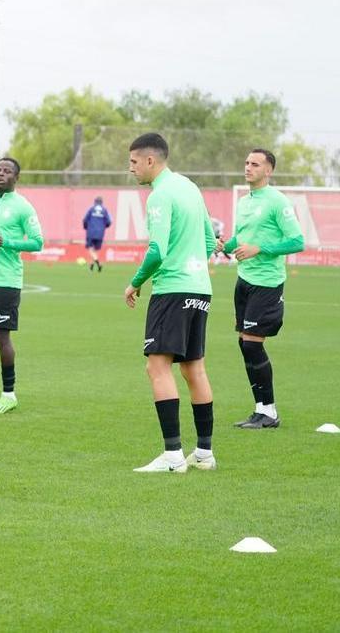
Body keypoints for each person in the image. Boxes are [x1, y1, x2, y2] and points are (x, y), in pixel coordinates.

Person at [123, 133, 216, 474]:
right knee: (194, 368)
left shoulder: (160, 195)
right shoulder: (190, 187)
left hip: (173, 290)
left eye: (134, 162)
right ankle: (204, 453)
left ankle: (173, 455)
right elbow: (209, 241)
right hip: (199, 287)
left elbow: (158, 251)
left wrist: (135, 283)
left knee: (157, 367)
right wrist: (192, 264)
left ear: (150, 160)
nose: (131, 168)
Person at [218, 149, 304, 429]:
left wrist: (260, 249)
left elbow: (297, 241)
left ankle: (269, 412)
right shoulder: (245, 202)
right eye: (246, 162)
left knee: (253, 345)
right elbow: (242, 237)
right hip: (243, 281)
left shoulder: (278, 202)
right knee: (245, 344)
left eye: (255, 164)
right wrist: (225, 246)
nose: (248, 167)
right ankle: (261, 409)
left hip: (266, 283)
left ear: (268, 171)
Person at [0, 157, 43, 414]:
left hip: (7, 280)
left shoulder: (23, 207)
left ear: (16, 177)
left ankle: (9, 394)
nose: (1, 174)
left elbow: (38, 242)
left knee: (0, 335)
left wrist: (9, 242)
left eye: (7, 171)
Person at [83, 196, 111, 272]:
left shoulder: (91, 209)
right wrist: (102, 227)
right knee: (95, 249)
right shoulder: (104, 210)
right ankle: (92, 266)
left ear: (95, 202)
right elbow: (108, 222)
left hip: (91, 232)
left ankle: (98, 262)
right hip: (100, 233)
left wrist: (86, 227)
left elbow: (85, 220)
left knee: (90, 248)